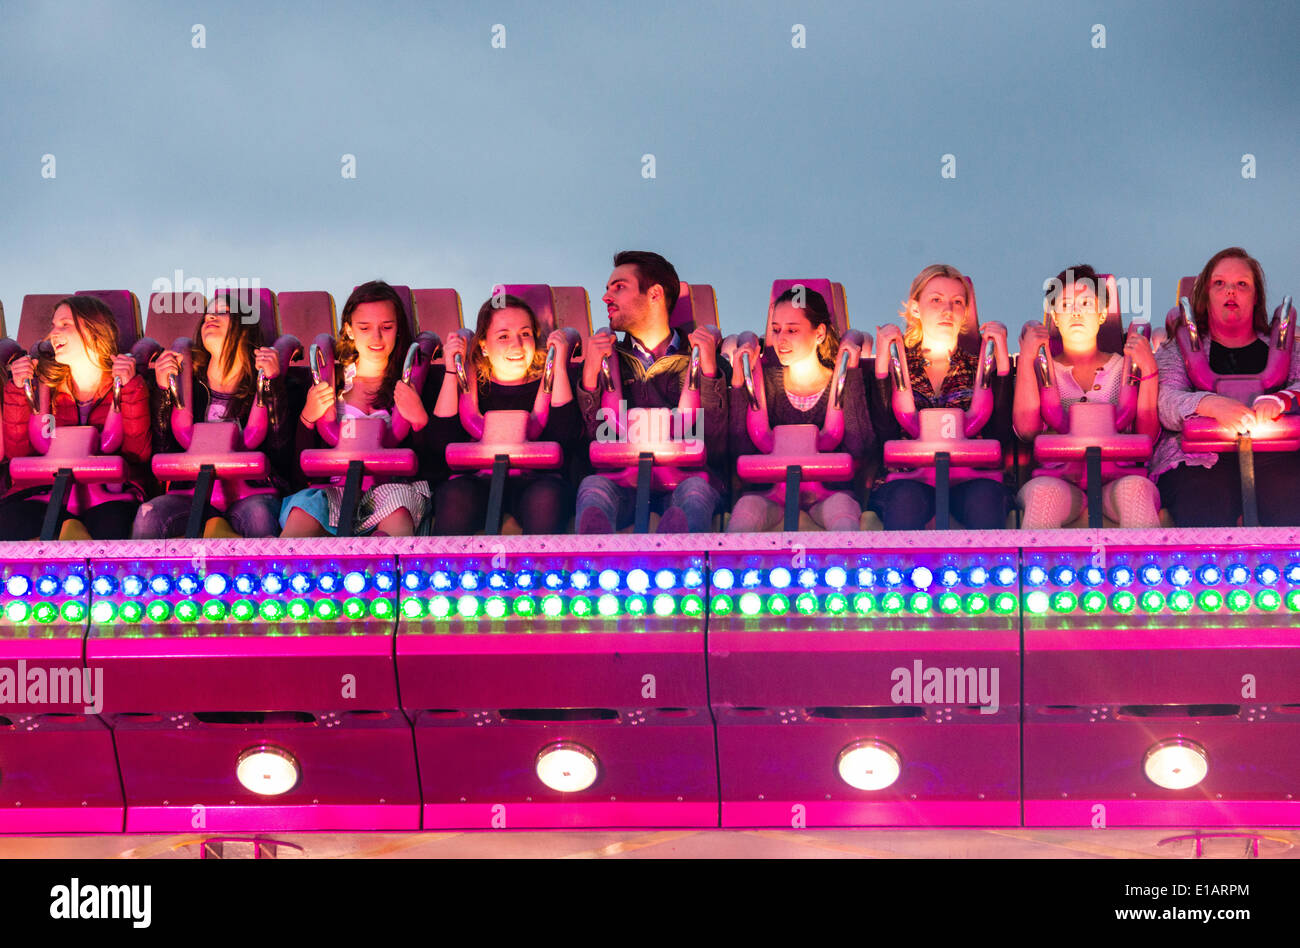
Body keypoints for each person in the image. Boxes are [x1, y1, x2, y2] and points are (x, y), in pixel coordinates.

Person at [574, 250, 728, 533]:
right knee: (593, 487)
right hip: (624, 482)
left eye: (619, 288)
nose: (606, 298)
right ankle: (594, 565)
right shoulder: (608, 358)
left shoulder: (700, 357)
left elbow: (718, 446)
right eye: (607, 290)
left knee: (695, 492)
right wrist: (589, 379)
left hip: (685, 478)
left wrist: (708, 373)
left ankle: (680, 562)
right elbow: (591, 442)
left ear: (655, 294)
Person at [1153, 247, 1300, 526]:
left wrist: (1280, 400)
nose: (1230, 291)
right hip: (1197, 459)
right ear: (1206, 295)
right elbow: (1165, 400)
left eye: (1241, 285)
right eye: (1219, 283)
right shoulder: (1176, 350)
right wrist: (1209, 404)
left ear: (1256, 297)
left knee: (1289, 497)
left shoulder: (1285, 349)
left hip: (1275, 457)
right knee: (1205, 503)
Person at [1012, 265, 1161, 528]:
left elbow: (1147, 432)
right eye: (1066, 305)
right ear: (1055, 317)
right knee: (1041, 495)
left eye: (1085, 303)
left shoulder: (1125, 367)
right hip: (1058, 480)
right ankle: (1036, 567)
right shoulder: (1044, 369)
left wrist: (1149, 371)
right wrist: (1026, 360)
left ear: (1102, 314)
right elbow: (1026, 430)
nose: (1076, 312)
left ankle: (1144, 568)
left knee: (1137, 491)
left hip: (1118, 480)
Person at [280, 280, 431, 537]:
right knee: (304, 511)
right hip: (336, 488)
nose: (376, 337)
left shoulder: (410, 383)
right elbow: (297, 469)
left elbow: (434, 464)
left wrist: (420, 422)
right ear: (349, 330)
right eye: (365, 328)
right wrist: (307, 419)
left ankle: (383, 571)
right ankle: (284, 570)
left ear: (398, 330)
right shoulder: (331, 381)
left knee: (398, 512)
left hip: (391, 490)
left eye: (386, 327)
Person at [868, 263, 1012, 530]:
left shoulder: (978, 365)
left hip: (971, 477)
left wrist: (1002, 369)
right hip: (908, 478)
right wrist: (881, 369)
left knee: (985, 499)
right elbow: (883, 434)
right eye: (936, 300)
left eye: (957, 302)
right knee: (905, 500)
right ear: (915, 309)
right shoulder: (898, 364)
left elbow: (1000, 435)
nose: (947, 310)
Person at [131, 294, 288, 538]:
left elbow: (281, 452)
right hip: (190, 492)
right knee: (150, 515)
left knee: (259, 515)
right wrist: (164, 394)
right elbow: (164, 450)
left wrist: (272, 387)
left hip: (250, 492)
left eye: (222, 312)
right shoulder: (186, 382)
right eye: (207, 315)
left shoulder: (264, 379)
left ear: (245, 329)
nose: (210, 317)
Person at [0, 295, 151, 539]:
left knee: (112, 528)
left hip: (108, 494)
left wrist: (131, 388)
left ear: (94, 332)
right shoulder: (40, 385)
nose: (53, 333)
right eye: (53, 325)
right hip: (44, 492)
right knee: (9, 524)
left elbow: (138, 452)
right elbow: (19, 453)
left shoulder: (126, 383)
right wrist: (18, 391)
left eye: (65, 325)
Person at [430, 294, 582, 534]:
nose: (517, 345)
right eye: (503, 336)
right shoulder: (470, 387)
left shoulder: (550, 382)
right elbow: (440, 444)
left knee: (547, 497)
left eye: (525, 334)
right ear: (483, 345)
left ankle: (541, 570)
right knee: (454, 496)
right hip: (478, 482)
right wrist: (452, 369)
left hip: (535, 481)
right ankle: (445, 570)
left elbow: (567, 437)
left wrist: (559, 364)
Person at [727, 286, 873, 531]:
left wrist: (852, 374)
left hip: (827, 496)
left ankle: (847, 564)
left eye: (792, 330)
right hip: (772, 495)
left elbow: (860, 446)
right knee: (746, 510)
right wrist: (741, 383)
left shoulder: (840, 381)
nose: (780, 339)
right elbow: (739, 448)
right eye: (776, 330)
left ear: (819, 333)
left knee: (843, 512)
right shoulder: (767, 384)